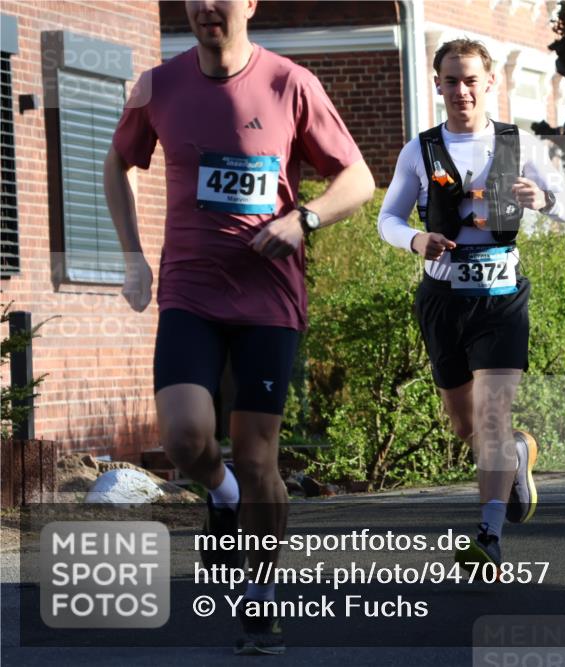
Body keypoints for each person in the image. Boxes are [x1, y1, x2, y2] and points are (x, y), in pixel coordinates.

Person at [104, 0, 374, 654]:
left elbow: (358, 177)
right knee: (186, 438)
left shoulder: (289, 84)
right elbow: (118, 164)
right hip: (190, 293)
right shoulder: (159, 86)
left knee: (259, 457)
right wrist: (132, 258)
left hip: (267, 299)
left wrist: (303, 220)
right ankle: (219, 492)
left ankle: (260, 596)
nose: (203, 6)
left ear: (249, 4)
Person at [377, 38, 565, 575]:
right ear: (438, 84)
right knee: (466, 425)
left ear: (491, 83)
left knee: (491, 415)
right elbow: (387, 220)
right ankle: (515, 453)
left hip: (501, 296)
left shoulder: (520, 143)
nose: (462, 90)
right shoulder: (418, 149)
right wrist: (415, 241)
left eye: (471, 80)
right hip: (443, 298)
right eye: (451, 80)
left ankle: (488, 533)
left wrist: (546, 199)